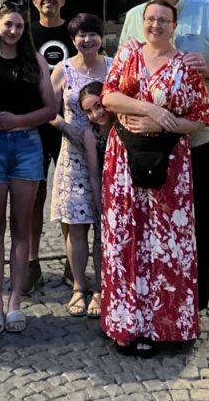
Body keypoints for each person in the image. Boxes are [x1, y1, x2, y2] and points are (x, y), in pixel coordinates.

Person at [119, 0, 209, 312]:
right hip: (151, 144)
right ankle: (159, 300)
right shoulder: (134, 17)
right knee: (154, 222)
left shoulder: (207, 11)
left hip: (202, 138)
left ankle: (195, 304)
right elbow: (122, 74)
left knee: (201, 220)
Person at [101, 0, 209, 357]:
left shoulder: (186, 66)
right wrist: (148, 108)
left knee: (165, 242)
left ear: (174, 26)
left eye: (164, 20)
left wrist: (165, 123)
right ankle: (126, 324)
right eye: (151, 19)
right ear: (143, 22)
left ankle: (162, 327)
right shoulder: (127, 55)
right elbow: (108, 97)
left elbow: (201, 117)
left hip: (169, 161)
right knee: (125, 236)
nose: (156, 25)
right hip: (124, 158)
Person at [0, 6, 55, 335]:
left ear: (24, 30)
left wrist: (17, 121)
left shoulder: (35, 61)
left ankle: (15, 300)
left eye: (19, 26)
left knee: (21, 228)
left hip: (27, 146)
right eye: (8, 24)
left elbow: (50, 109)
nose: (13, 30)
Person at [48, 14, 112, 319]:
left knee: (104, 225)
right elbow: (46, 109)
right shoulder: (63, 69)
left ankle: (100, 287)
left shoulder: (113, 66)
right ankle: (78, 285)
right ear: (73, 40)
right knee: (76, 225)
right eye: (80, 35)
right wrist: (65, 127)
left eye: (92, 34)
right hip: (73, 156)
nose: (87, 40)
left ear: (101, 37)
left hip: (109, 153)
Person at [24, 0, 78, 295]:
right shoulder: (28, 34)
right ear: (34, 1)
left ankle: (73, 260)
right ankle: (32, 263)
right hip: (36, 125)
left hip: (70, 125)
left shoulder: (74, 32)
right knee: (35, 194)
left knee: (70, 193)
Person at [78, 81, 115, 318]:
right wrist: (99, 204)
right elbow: (93, 174)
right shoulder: (90, 134)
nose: (96, 114)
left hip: (127, 189)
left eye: (98, 106)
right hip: (105, 190)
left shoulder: (123, 124)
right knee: (100, 239)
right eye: (89, 111)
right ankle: (100, 289)